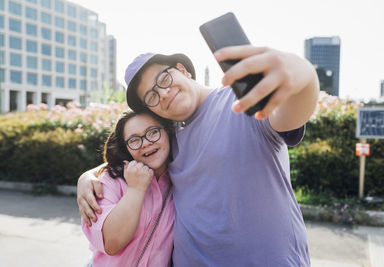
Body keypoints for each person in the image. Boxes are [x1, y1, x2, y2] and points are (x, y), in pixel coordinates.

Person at [78, 44, 319, 266]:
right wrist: (89, 176)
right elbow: (138, 152)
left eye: (164, 79)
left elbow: (290, 115)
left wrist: (304, 75)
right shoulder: (169, 136)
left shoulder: (241, 101)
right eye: (151, 97)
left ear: (183, 70)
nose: (162, 94)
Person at [81, 110, 175, 267]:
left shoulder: (181, 180)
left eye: (153, 132)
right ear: (126, 149)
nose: (145, 143)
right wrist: (136, 189)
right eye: (134, 140)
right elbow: (112, 242)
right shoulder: (109, 181)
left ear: (168, 131)